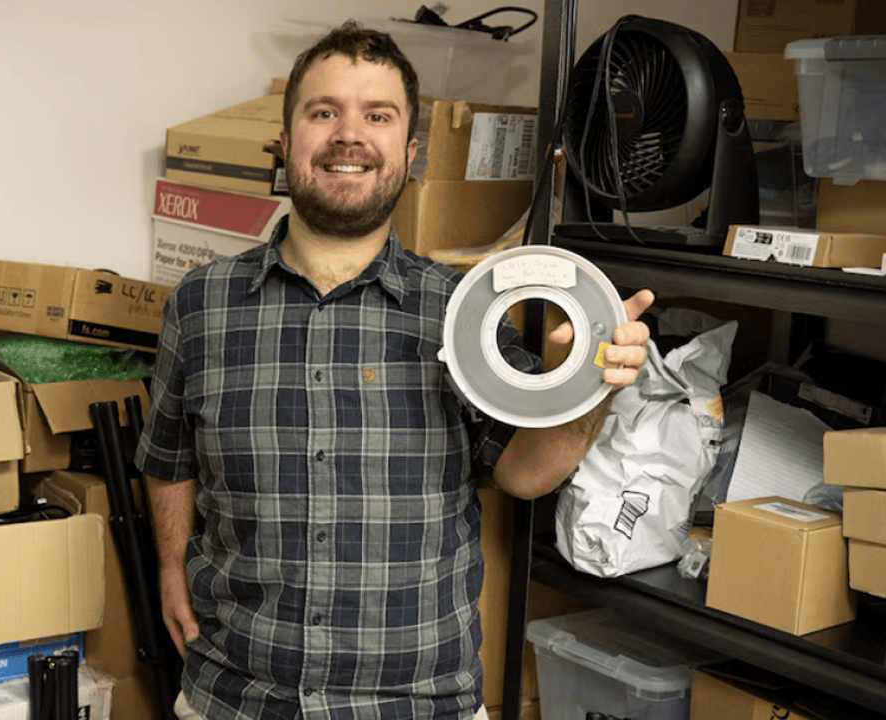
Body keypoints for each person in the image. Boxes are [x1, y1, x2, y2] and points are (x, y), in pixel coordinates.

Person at [135, 20, 654, 720]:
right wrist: (170, 566)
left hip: (417, 704)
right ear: (286, 144)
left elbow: (523, 472)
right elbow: (168, 457)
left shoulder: (461, 309)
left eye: (376, 116)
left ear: (407, 152)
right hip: (236, 694)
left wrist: (586, 381)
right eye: (325, 112)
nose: (349, 136)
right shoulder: (199, 305)